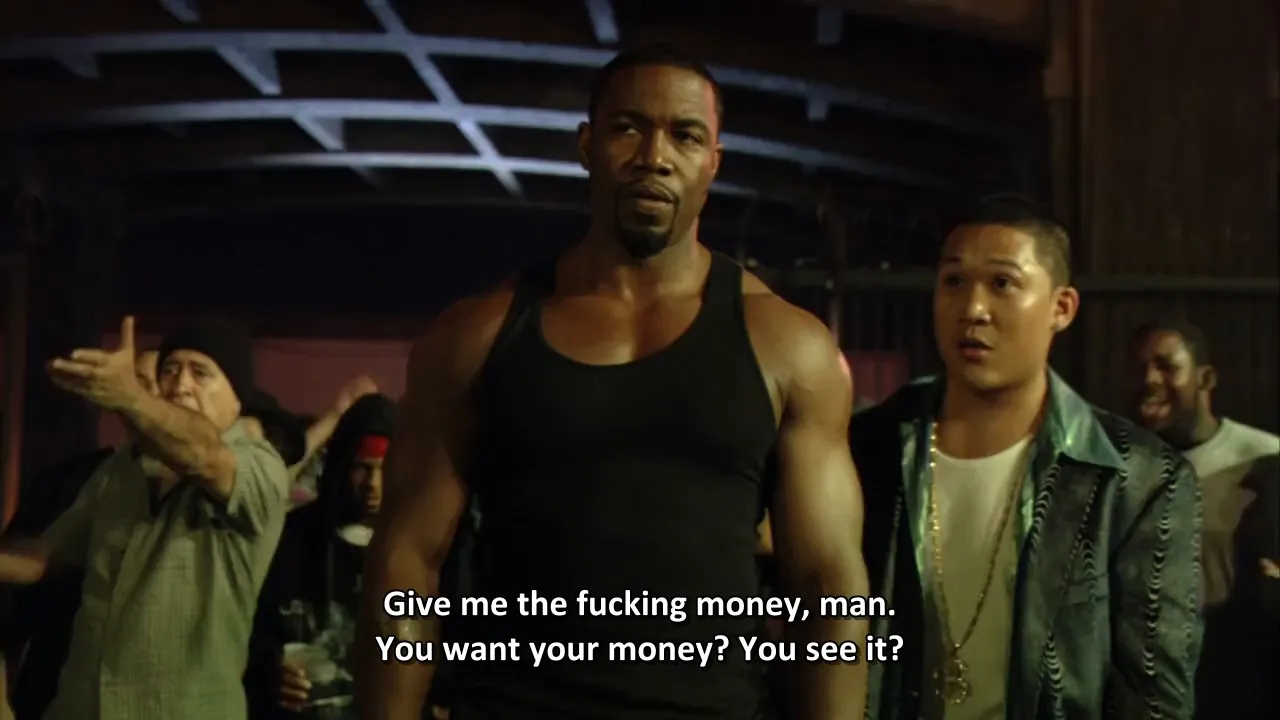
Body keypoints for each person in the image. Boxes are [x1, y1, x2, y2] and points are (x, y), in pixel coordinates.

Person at [356, 43, 869, 720]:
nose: (655, 156)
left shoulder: (787, 345)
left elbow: (828, 585)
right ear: (587, 145)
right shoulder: (475, 336)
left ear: (713, 163)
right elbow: (406, 564)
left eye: (685, 135)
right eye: (629, 128)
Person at [852, 195, 1202, 720]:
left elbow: (1153, 696)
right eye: (953, 281)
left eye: (1002, 283)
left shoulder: (1137, 477)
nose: (973, 309)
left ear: (1062, 308)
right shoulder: (870, 448)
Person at [0, 316, 291, 720]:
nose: (180, 384)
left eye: (200, 373)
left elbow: (204, 455)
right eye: (169, 370)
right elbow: (46, 556)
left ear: (237, 399)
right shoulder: (120, 470)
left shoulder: (258, 467)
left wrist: (130, 397)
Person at [1128, 320, 1280, 719]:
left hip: (1239, 684)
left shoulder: (1264, 460)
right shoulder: (1120, 464)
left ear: (1205, 378)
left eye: (1166, 366)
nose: (1149, 380)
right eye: (1140, 368)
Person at [1, 348, 159, 720]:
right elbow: (37, 562)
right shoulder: (89, 476)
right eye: (135, 382)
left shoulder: (206, 482)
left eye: (155, 383)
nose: (141, 394)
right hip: (60, 685)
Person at [246, 393, 397, 720]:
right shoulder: (294, 538)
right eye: (361, 468)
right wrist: (270, 672)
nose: (373, 484)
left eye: (385, 469)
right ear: (342, 465)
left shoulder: (411, 545)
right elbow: (252, 628)